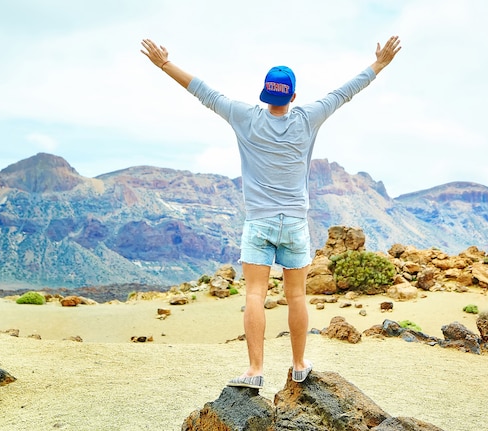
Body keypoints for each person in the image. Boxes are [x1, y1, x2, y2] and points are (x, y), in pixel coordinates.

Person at [140, 35, 401, 389]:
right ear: (293, 96)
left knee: (254, 296)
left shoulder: (244, 116)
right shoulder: (308, 117)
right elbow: (344, 92)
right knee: (296, 295)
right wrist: (380, 64)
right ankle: (297, 364)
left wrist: (163, 64)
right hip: (294, 223)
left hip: (258, 222)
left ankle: (254, 370)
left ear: (265, 93)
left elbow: (202, 91)